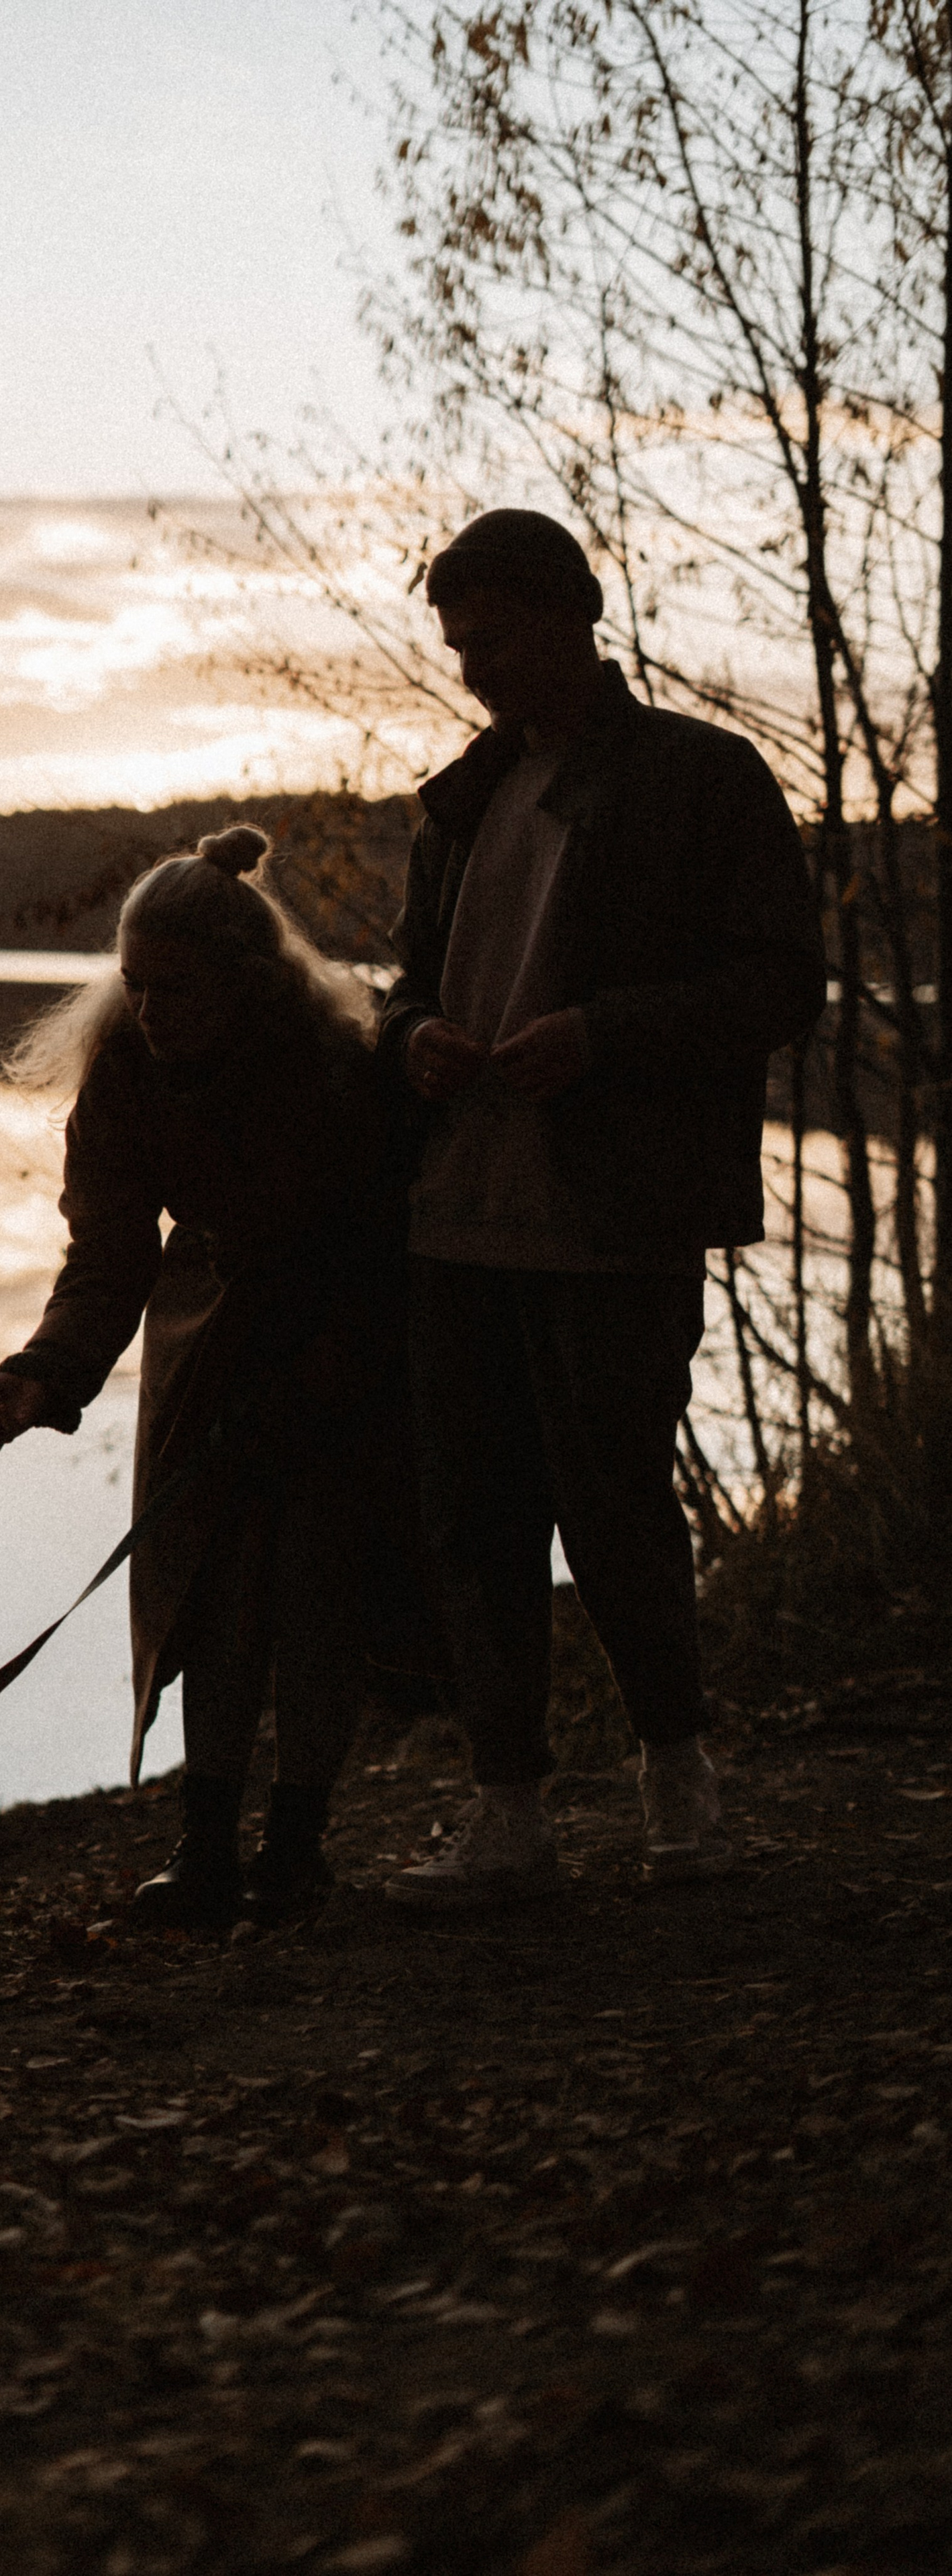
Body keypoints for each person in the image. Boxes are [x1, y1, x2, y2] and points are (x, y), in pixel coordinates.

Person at [377, 510, 827, 1909]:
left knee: (615, 1503)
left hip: (611, 1217)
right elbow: (401, 987)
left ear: (573, 614)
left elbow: (777, 985)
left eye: (494, 640)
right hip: (453, 1217)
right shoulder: (463, 801)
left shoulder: (702, 780)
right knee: (472, 1517)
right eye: (457, 648)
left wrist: (604, 1035)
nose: (475, 671)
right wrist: (408, 1043)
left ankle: (676, 1789)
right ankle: (505, 1817)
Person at [0, 826, 436, 1933]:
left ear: (246, 981)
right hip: (204, 1346)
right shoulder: (124, 1071)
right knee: (206, 1597)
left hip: (347, 1350)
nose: (152, 1009)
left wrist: (330, 1366)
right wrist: (44, 1374)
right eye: (134, 986)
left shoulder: (341, 1068)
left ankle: (298, 1849)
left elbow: (389, 1239)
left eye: (175, 988)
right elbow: (108, 1250)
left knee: (321, 1596)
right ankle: (206, 1846)